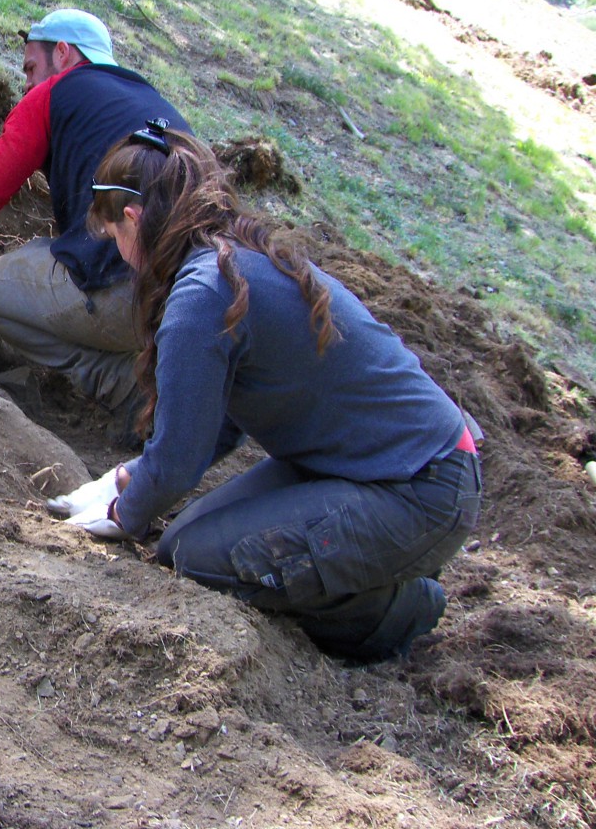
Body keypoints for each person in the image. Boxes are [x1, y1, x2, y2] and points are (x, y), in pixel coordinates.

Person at [56, 124, 483, 663]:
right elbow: (218, 422)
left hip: (422, 485)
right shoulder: (230, 260)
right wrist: (129, 478)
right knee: (183, 539)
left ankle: (402, 605)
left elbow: (181, 460)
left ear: (135, 219)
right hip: (357, 466)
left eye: (115, 235)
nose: (119, 253)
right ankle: (375, 558)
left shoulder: (203, 293)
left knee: (197, 557)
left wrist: (125, 514)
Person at [0, 9, 191, 419]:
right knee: (52, 251)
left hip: (128, 291)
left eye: (31, 68)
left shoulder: (55, 92)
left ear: (63, 52)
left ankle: (125, 384)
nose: (27, 84)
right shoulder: (152, 102)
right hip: (194, 296)